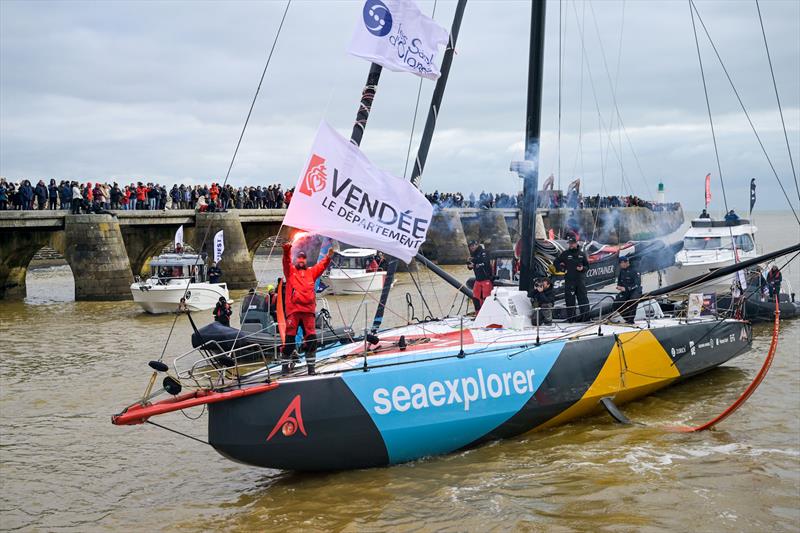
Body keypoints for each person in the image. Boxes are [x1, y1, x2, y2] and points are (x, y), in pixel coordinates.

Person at [281, 241, 334, 375]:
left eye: (303, 259)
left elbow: (322, 266)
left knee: (311, 340)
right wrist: (287, 249)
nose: (301, 261)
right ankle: (285, 367)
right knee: (289, 341)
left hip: (308, 312)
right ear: (296, 260)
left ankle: (311, 369)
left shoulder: (311, 272)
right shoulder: (290, 272)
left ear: (305, 261)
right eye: (299, 258)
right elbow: (285, 261)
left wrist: (329, 256)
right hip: (294, 311)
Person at [557, 235, 590, 322]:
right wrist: (562, 269)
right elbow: (556, 262)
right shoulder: (565, 254)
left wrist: (582, 268)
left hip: (580, 281)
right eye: (569, 243)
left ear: (576, 243)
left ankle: (585, 318)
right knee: (570, 301)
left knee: (583, 299)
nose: (571, 245)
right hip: (569, 281)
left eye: (572, 243)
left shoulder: (582, 254)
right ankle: (571, 319)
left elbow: (587, 266)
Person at [614, 256, 642, 323]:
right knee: (616, 303)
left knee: (633, 300)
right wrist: (619, 287)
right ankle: (626, 317)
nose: (620, 265)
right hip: (625, 291)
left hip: (635, 290)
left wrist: (626, 288)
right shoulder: (622, 271)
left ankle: (631, 320)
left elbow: (637, 284)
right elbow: (619, 282)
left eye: (620, 264)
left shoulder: (635, 270)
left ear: (623, 263)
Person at [467, 240, 493, 311]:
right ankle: (478, 316)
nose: (471, 247)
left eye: (473, 245)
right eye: (470, 246)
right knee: (476, 299)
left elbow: (485, 263)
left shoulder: (484, 252)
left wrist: (475, 263)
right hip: (478, 280)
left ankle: (488, 316)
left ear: (477, 245)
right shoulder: (473, 255)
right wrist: (470, 265)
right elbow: (470, 266)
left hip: (486, 280)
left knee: (486, 299)